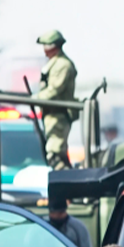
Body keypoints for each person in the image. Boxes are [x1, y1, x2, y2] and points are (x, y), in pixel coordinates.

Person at [35, 29, 78, 170]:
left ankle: (67, 180)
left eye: (46, 45)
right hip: (51, 115)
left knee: (55, 155)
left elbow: (54, 90)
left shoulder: (62, 65)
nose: (44, 49)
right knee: (58, 155)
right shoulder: (54, 63)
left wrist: (36, 98)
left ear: (53, 46)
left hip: (59, 115)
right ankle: (68, 180)